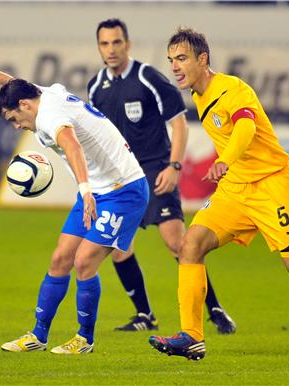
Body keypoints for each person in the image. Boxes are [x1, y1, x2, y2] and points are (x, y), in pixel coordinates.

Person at [149, 28, 289, 365]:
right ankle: (192, 337)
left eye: (182, 58)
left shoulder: (232, 89)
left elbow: (247, 127)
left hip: (272, 186)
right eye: (171, 60)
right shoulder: (200, 96)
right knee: (190, 245)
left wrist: (225, 160)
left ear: (203, 59)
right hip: (236, 190)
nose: (175, 66)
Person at [0, 35, 149, 354]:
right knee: (60, 258)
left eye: (14, 119)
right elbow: (6, 81)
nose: (16, 126)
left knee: (84, 262)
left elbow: (73, 146)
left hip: (123, 190)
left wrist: (84, 190)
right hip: (95, 189)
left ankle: (85, 339)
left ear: (24, 106)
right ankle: (38, 335)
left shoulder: (51, 117)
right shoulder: (41, 95)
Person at [88, 18, 236, 333]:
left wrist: (174, 166)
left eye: (116, 42)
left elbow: (179, 123)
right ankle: (145, 316)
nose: (111, 49)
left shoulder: (148, 78)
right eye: (104, 43)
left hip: (157, 171)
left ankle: (215, 309)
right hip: (120, 178)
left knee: (179, 245)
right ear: (99, 47)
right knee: (118, 248)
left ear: (127, 44)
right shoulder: (96, 87)